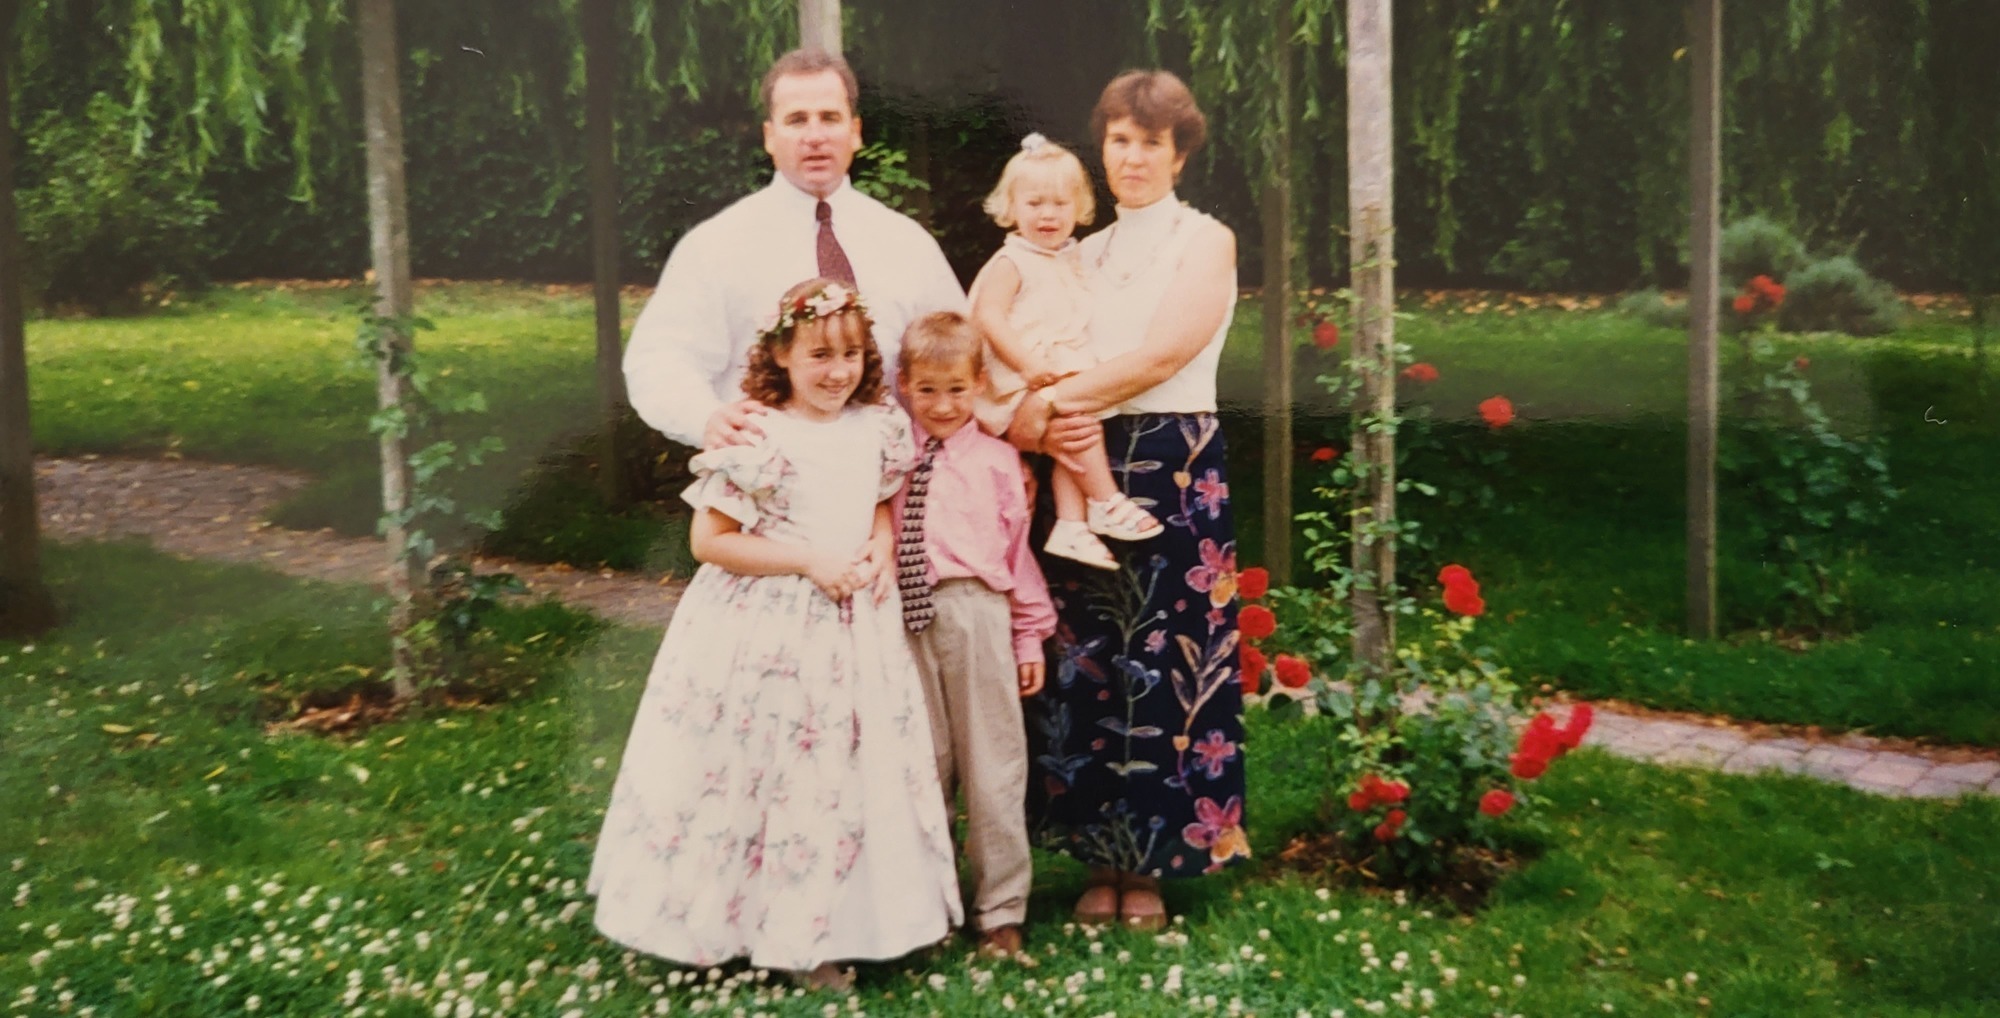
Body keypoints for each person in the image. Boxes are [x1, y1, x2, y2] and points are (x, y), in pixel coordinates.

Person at [588, 278, 962, 989]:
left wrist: (880, 546)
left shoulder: (876, 426)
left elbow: (881, 504)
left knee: (843, 779)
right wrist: (807, 561)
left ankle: (834, 929)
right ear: (782, 354)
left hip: (855, 626)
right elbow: (711, 540)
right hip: (767, 631)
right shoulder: (758, 435)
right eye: (819, 354)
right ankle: (737, 923)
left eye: (851, 354)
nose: (837, 370)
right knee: (773, 775)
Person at [1007, 70, 1248, 931]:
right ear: (1100, 149)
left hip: (1173, 465)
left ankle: (1154, 863)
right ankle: (1094, 854)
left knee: (1171, 660)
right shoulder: (1076, 249)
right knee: (1088, 661)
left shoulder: (1205, 241)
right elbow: (1028, 343)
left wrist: (1046, 410)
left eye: (1150, 141)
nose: (1133, 156)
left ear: (1179, 152)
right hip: (1083, 463)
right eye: (1118, 139)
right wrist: (1033, 414)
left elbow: (1160, 355)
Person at [622, 48, 965, 452]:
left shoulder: (908, 245)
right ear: (770, 136)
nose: (815, 136)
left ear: (855, 131)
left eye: (829, 118)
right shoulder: (716, 246)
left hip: (895, 485)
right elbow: (661, 358)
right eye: (797, 120)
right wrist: (705, 418)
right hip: (771, 485)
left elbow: (965, 353)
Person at [890, 311, 1057, 959]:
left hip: (979, 615)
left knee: (993, 764)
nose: (941, 404)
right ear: (904, 384)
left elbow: (1017, 556)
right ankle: (925, 908)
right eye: (927, 389)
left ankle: (1001, 911)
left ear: (978, 384)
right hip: (905, 619)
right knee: (920, 764)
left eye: (956, 389)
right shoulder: (891, 453)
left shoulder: (998, 462)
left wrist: (1027, 638)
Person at [969, 134, 1163, 571]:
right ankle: (1106, 499)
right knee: (1078, 421)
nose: (1048, 215)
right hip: (1018, 375)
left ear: (1078, 208)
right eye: (1034, 204)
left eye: (1059, 204)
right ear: (1012, 208)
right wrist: (1027, 365)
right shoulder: (1012, 261)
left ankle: (1072, 525)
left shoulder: (1065, 258)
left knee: (1073, 433)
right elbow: (988, 316)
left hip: (1051, 369)